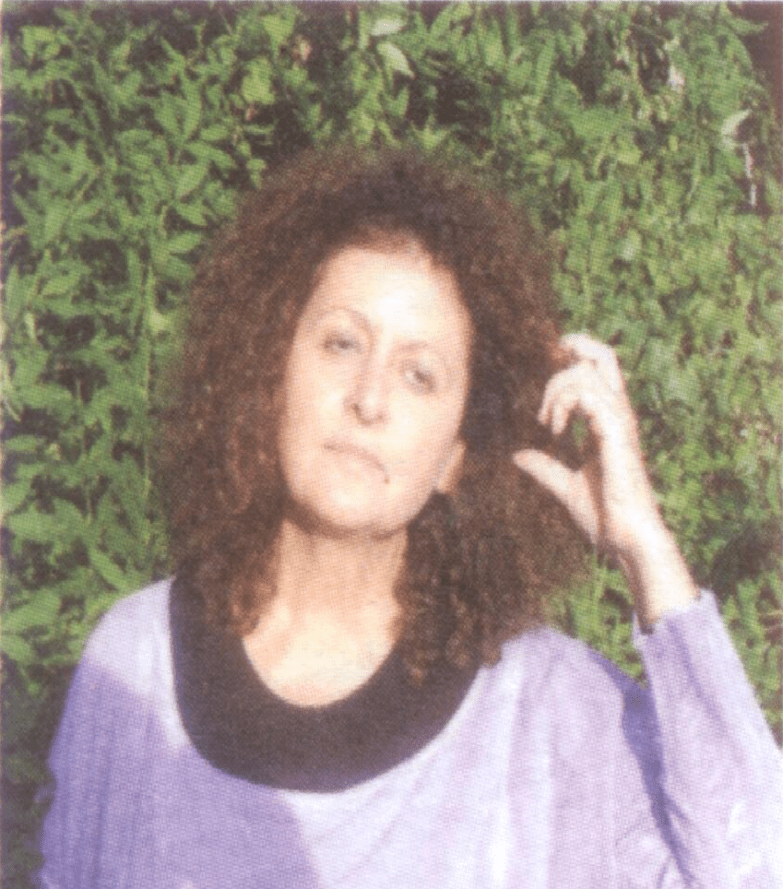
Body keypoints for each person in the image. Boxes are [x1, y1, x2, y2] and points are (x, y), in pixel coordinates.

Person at [38, 146, 781, 888]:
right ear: (269, 370)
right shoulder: (134, 665)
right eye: (341, 343)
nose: (368, 398)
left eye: (419, 375)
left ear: (458, 453)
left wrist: (644, 547)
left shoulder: (539, 711)